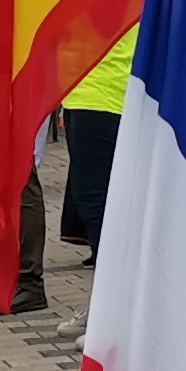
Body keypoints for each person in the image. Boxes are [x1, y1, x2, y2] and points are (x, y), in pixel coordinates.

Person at [59, 29, 132, 260]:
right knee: (103, 191)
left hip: (97, 97)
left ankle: (110, 266)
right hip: (94, 95)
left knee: (91, 196)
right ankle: (112, 261)